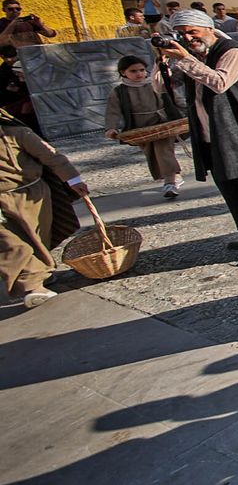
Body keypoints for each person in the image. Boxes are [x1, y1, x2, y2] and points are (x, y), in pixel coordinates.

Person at [156, 9, 238, 264]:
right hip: (213, 132)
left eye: (193, 32)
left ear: (208, 29)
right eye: (183, 34)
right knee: (230, 184)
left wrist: (185, 59)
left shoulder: (232, 52)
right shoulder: (195, 56)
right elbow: (163, 88)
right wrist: (163, 62)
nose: (188, 38)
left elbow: (219, 82)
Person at [1, 107, 88, 308]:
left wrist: (73, 179)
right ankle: (33, 287)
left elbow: (50, 156)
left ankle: (39, 273)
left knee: (37, 237)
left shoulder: (16, 133)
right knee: (10, 244)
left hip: (31, 195)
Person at [103, 55, 185, 199]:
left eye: (141, 70)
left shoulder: (155, 84)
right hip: (139, 127)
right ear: (123, 73)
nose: (139, 74)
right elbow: (113, 111)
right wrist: (111, 127)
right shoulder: (119, 91)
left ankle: (170, 181)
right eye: (133, 71)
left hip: (161, 123)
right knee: (152, 153)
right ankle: (172, 176)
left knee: (163, 150)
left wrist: (191, 109)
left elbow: (175, 98)